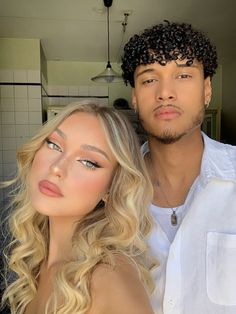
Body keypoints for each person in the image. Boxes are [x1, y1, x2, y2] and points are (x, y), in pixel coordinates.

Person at [121, 20, 236, 314]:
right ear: (135, 96)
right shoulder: (109, 193)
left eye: (183, 74)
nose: (165, 92)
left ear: (207, 89)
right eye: (149, 79)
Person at [1, 102, 156, 314]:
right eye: (54, 145)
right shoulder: (34, 262)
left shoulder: (110, 277)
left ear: (111, 189)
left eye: (88, 162)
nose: (57, 167)